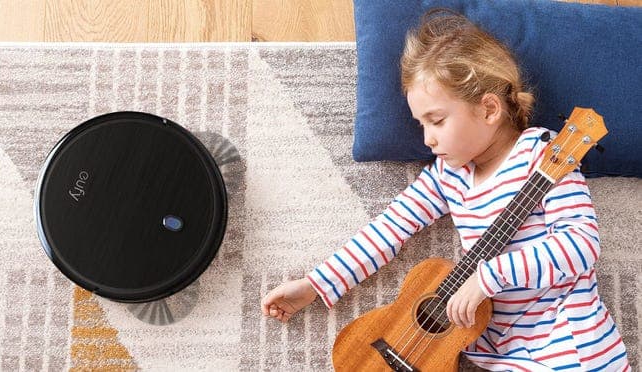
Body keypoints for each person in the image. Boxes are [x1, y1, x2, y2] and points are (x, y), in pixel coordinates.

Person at [260, 9, 630, 371]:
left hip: (568, 342)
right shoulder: (447, 174)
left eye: (436, 121)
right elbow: (388, 229)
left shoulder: (544, 155)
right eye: (420, 124)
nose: (427, 139)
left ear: (488, 109)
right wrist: (315, 284)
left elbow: (580, 245)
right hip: (497, 354)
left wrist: (488, 277)